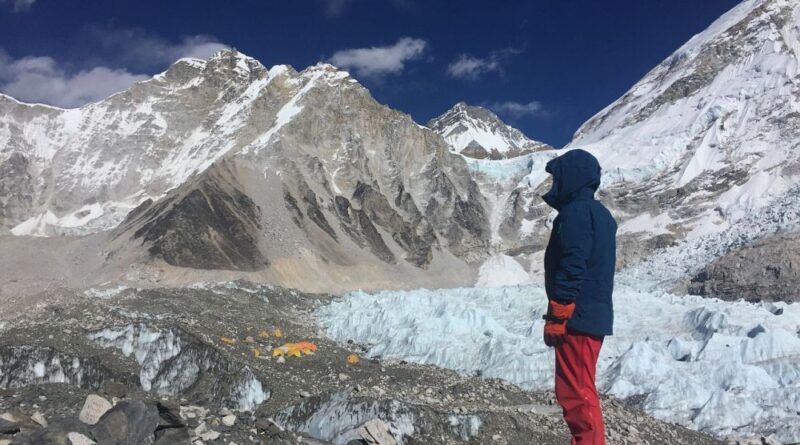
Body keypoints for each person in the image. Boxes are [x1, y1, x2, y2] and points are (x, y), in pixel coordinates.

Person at [541, 149, 617, 445]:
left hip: (577, 317)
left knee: (576, 394)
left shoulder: (575, 213)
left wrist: (558, 313)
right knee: (581, 389)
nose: (554, 182)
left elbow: (574, 263)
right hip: (590, 316)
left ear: (571, 177)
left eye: (557, 176)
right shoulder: (601, 215)